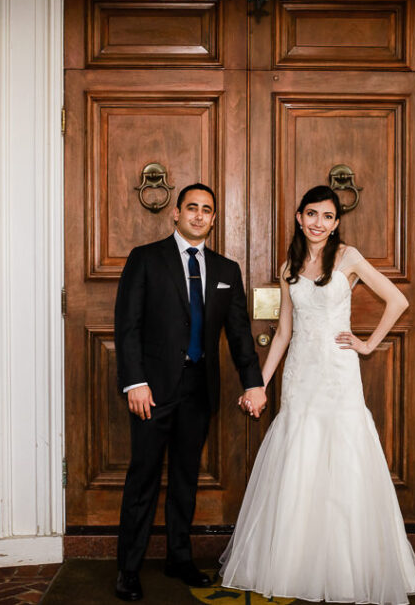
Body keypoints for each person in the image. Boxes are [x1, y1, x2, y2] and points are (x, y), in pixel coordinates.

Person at [220, 185, 415, 605]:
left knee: (344, 456)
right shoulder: (288, 267)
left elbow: (398, 300)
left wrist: (368, 344)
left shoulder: (348, 258)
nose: (319, 223)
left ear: (336, 223)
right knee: (300, 455)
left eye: (328, 216)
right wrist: (259, 384)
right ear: (300, 217)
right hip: (301, 372)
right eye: (312, 214)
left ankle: (345, 567)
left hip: (337, 373)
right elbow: (283, 333)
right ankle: (295, 564)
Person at [113, 183, 267, 602]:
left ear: (214, 219)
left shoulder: (226, 270)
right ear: (176, 214)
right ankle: (128, 568)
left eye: (207, 210)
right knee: (143, 478)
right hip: (152, 390)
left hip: (199, 391)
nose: (199, 215)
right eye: (192, 208)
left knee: (185, 478)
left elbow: (238, 333)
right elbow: (127, 325)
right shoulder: (146, 260)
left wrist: (253, 381)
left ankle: (179, 558)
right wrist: (134, 382)